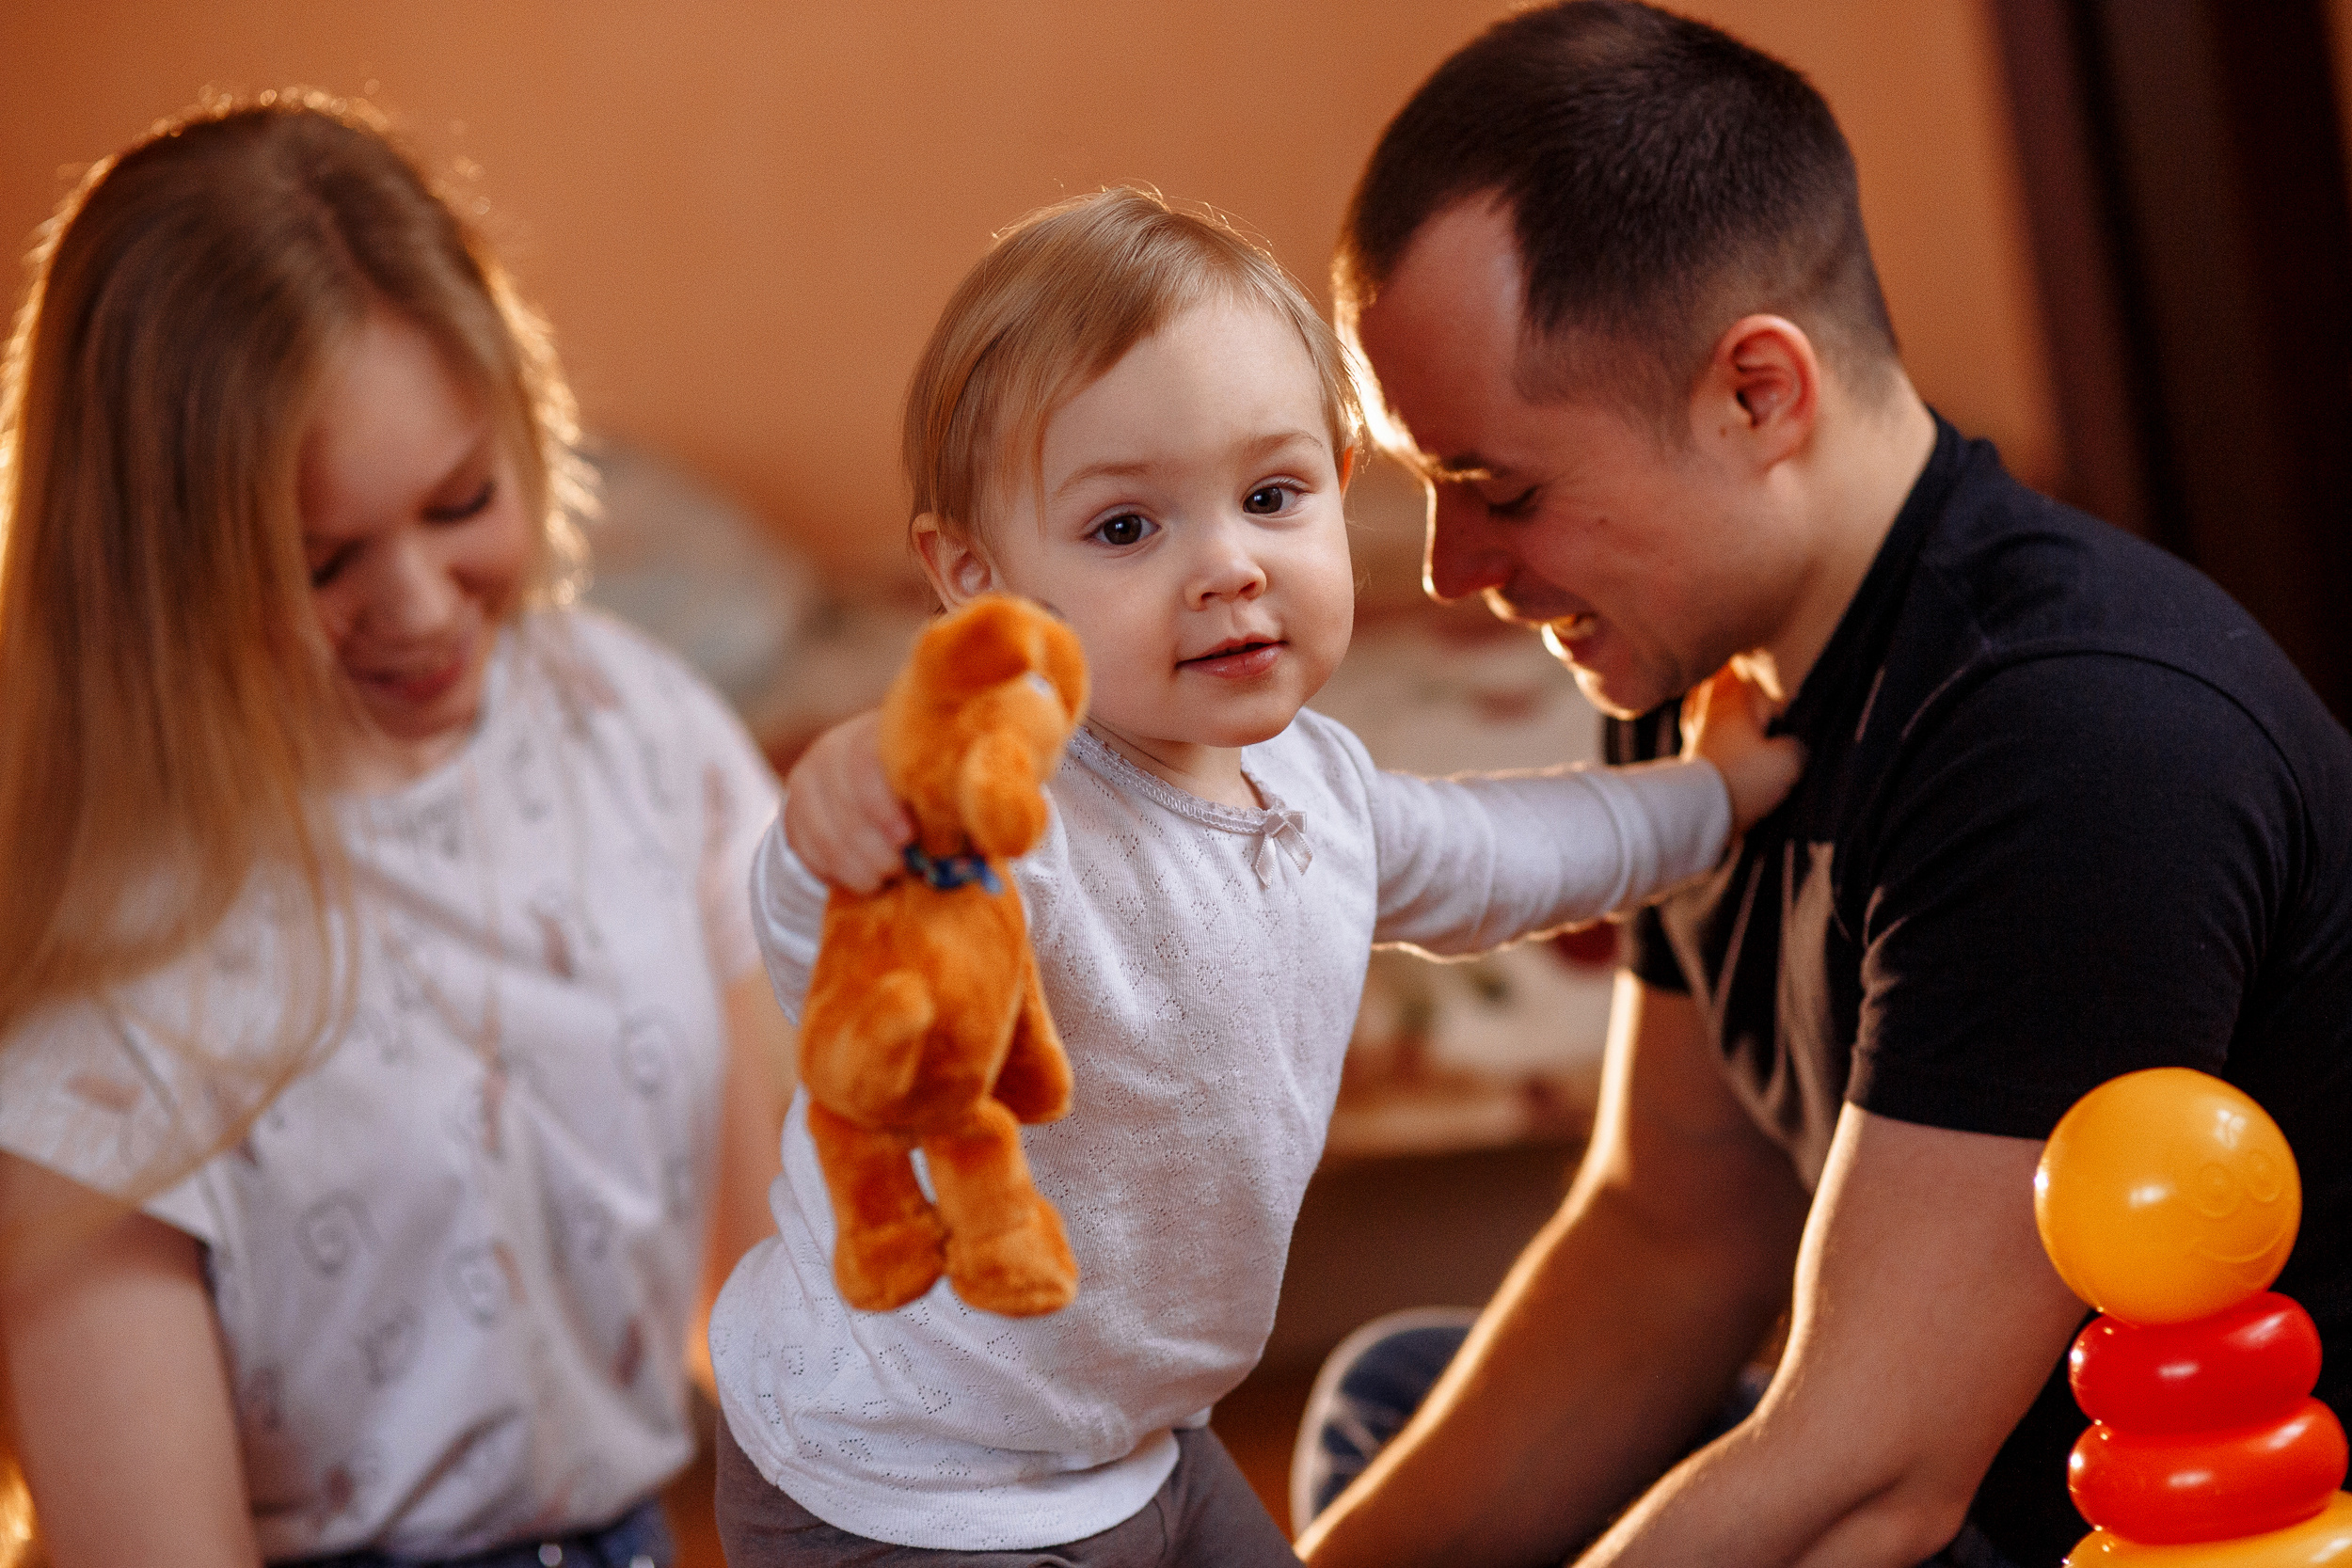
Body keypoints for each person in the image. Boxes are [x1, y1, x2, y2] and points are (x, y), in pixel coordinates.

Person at [1288, 5, 2352, 1567]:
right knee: (1396, 1394)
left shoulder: (2073, 743)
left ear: (1758, 393)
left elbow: (1875, 1479)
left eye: (1501, 489)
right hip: (1933, 1469)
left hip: (2138, 1528)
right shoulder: (1695, 675)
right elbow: (1672, 1231)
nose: (1454, 570)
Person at [706, 186, 1802, 1565]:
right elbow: (848, 973)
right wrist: (838, 825)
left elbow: (1509, 856)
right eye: (1126, 529)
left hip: (1138, 1433)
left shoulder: (1319, 786)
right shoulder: (1018, 819)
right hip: (901, 1479)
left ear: (1338, 488)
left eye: (1271, 498)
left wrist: (1711, 799)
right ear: (976, 581)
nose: (1227, 566)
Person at [0, 97, 792, 1567]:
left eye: (462, 501)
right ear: (150, 571)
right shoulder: (95, 965)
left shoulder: (638, 733)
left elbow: (770, 1312)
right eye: (321, 563)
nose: (422, 609)